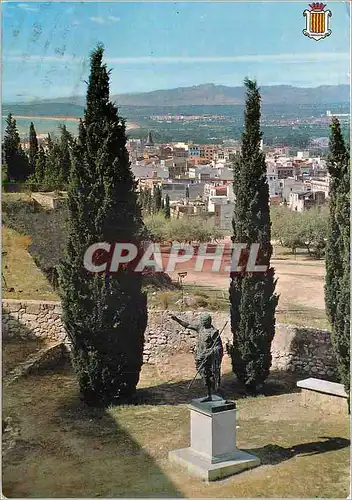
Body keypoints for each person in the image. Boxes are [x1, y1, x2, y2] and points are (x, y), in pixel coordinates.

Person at [171, 313, 224, 401]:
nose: (201, 322)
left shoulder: (213, 332)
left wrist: (209, 352)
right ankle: (208, 395)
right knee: (204, 376)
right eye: (201, 321)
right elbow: (188, 325)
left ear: (208, 322)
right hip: (200, 357)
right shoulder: (200, 328)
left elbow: (218, 347)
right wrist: (177, 320)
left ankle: (219, 392)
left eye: (203, 321)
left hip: (209, 358)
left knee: (211, 377)